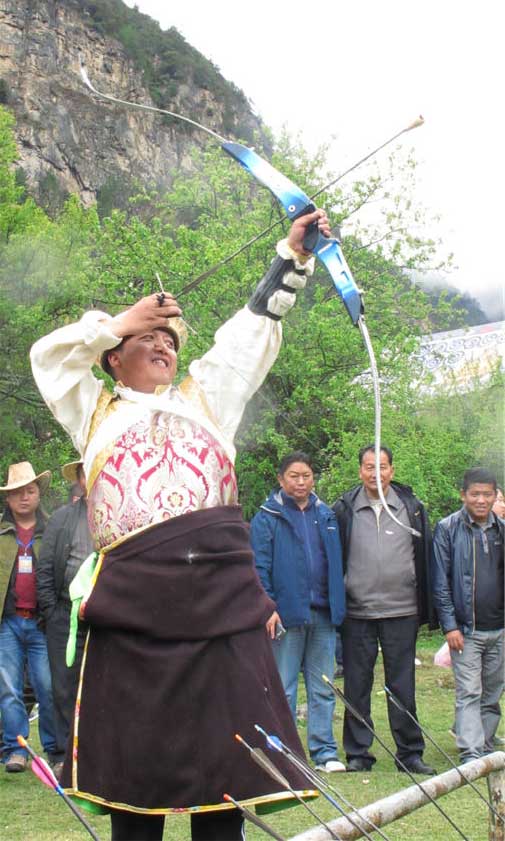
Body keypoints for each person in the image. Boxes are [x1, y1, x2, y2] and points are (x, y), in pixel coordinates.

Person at [30, 209, 330, 841]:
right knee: (133, 797)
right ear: (113, 360)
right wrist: (118, 322)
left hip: (218, 614)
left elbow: (248, 336)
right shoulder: (94, 413)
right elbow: (50, 361)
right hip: (135, 618)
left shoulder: (206, 401)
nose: (164, 344)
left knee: (225, 787)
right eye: (148, 339)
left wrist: (293, 258)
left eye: (170, 339)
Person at [332, 445, 436, 774]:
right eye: (368, 467)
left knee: (402, 685)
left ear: (392, 469)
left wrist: (427, 608)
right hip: (357, 613)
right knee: (357, 685)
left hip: (401, 611)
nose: (376, 474)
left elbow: (425, 557)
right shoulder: (344, 508)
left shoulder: (411, 507)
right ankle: (359, 754)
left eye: (383, 467)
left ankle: (409, 753)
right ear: (360, 470)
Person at [250, 451, 346, 773]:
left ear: (313, 478)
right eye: (294, 476)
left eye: (306, 475)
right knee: (283, 687)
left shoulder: (326, 515)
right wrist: (268, 607)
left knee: (322, 686)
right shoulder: (267, 517)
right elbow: (258, 567)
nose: (301, 481)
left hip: (322, 614)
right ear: (281, 479)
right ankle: (285, 755)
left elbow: (335, 564)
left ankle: (324, 753)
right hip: (284, 616)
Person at [432, 467, 504, 764]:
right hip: (466, 629)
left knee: (492, 693)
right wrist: (449, 626)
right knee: (469, 691)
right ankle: (471, 751)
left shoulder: (502, 528)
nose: (481, 500)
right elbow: (440, 582)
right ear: (463, 495)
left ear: (495, 496)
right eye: (475, 494)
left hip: (499, 628)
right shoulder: (448, 529)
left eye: (488, 494)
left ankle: (486, 744)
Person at [0, 461, 58, 773]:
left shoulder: (52, 531)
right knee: (7, 688)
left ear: (38, 494)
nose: (25, 497)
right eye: (18, 492)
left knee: (46, 686)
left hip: (40, 623)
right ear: (8, 499)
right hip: (7, 623)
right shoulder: (1, 532)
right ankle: (15, 749)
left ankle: (55, 751)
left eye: (30, 490)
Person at [37, 460, 93, 779]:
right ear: (81, 479)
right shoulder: (61, 518)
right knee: (63, 688)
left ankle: (95, 756)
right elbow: (45, 569)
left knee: (101, 686)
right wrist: (52, 612)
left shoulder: (115, 516)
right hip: (63, 614)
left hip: (104, 616)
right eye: (85, 472)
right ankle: (63, 758)